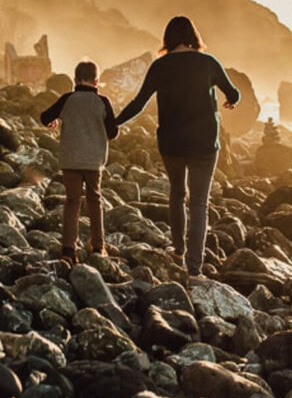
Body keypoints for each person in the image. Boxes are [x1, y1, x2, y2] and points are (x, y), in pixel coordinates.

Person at [115, 16, 240, 284]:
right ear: (193, 37)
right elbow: (234, 93)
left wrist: (113, 123)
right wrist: (230, 100)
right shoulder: (208, 62)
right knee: (198, 204)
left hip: (172, 143)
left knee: (176, 194)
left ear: (168, 39)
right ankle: (194, 270)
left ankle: (179, 250)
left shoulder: (160, 66)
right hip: (205, 144)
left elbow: (138, 103)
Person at [40, 59, 118, 264]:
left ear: (75, 80)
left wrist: (54, 120)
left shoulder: (67, 99)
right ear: (96, 81)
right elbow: (113, 132)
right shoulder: (103, 102)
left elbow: (44, 117)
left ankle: (68, 249)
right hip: (93, 161)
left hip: (70, 159)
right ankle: (98, 246)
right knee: (94, 200)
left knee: (72, 201)